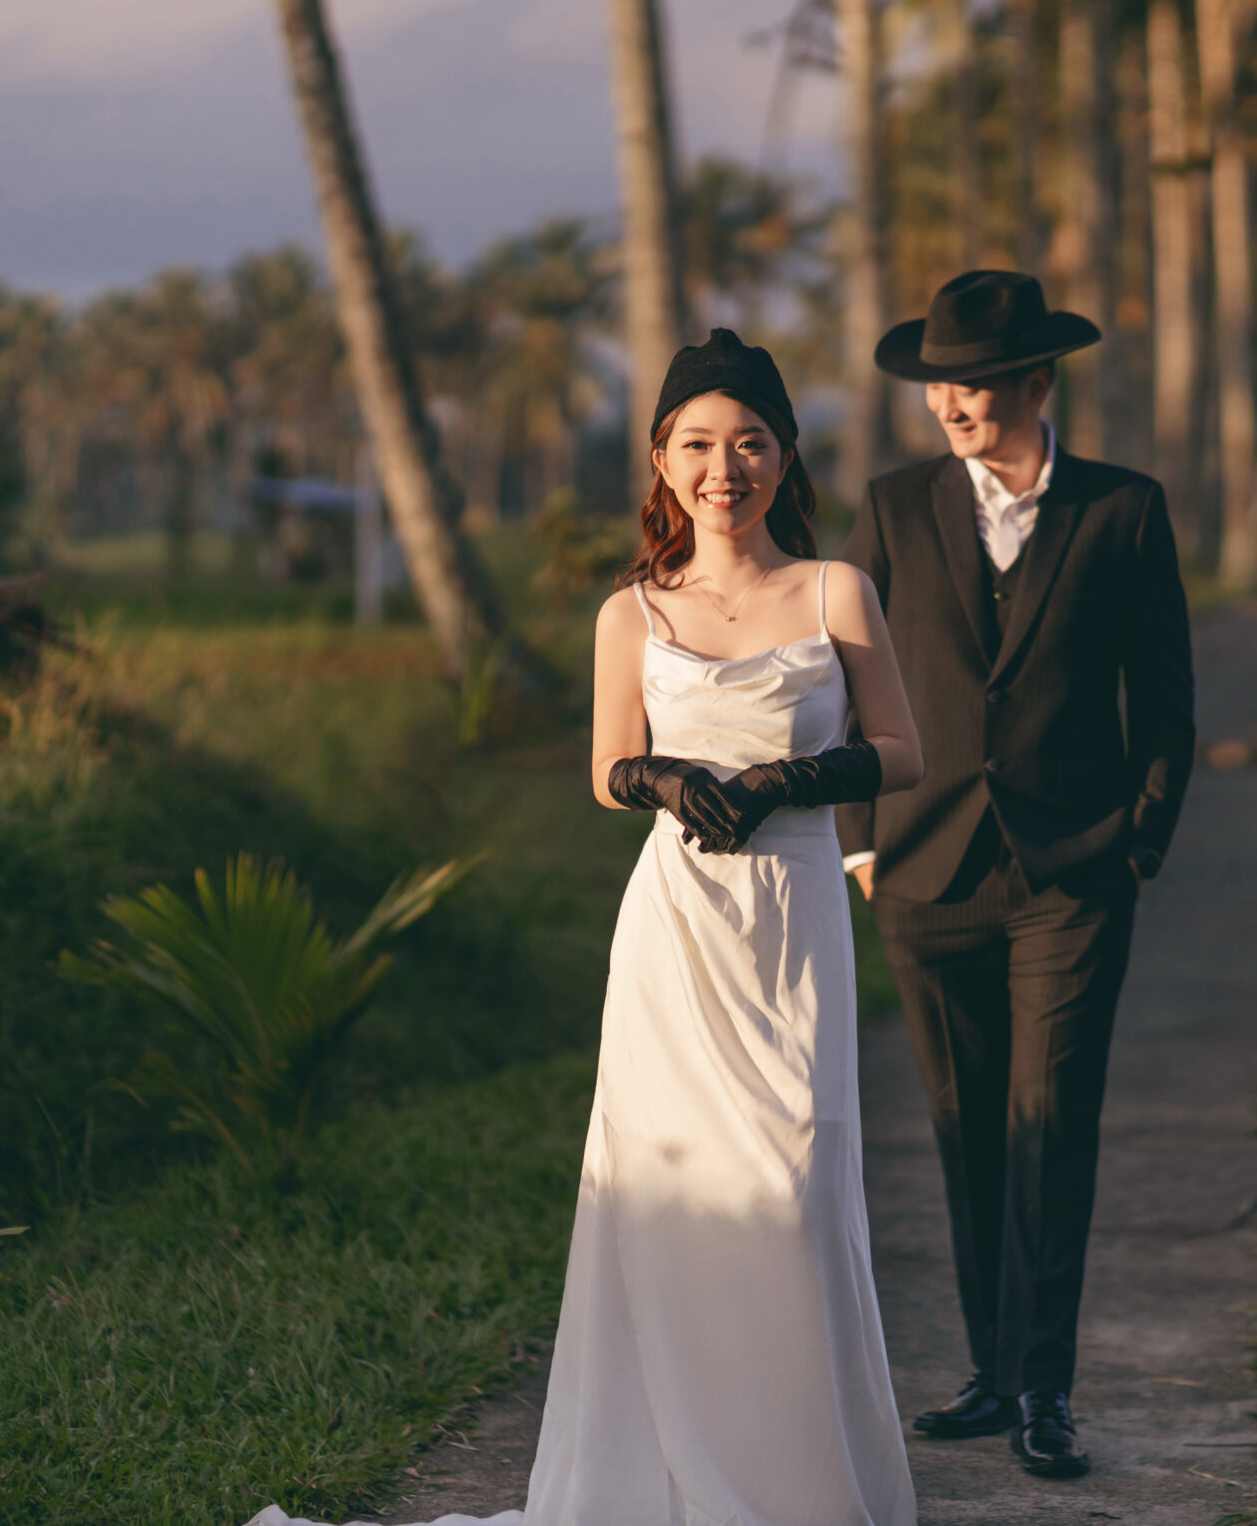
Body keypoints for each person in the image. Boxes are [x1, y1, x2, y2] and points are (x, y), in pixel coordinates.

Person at [246, 329, 924, 1526]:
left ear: (784, 458)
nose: (727, 468)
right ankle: (664, 1474)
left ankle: (796, 1484)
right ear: (662, 458)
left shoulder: (834, 591)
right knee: (667, 1190)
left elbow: (906, 749)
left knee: (795, 1186)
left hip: (794, 911)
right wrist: (660, 784)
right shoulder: (633, 611)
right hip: (676, 929)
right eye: (701, 444)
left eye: (751, 442)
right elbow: (609, 765)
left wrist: (788, 782)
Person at [838, 269, 1195, 1481]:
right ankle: (990, 1374)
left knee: (1052, 1124)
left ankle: (1046, 1388)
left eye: (978, 383)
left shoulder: (1124, 511)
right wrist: (856, 839)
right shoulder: (891, 509)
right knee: (962, 1126)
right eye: (939, 383)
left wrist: (1138, 840)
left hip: (1072, 873)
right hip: (923, 869)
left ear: (1037, 382)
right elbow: (841, 684)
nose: (953, 403)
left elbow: (1165, 699)